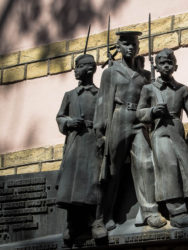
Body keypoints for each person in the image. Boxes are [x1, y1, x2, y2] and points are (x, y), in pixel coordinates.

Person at [93, 31, 166, 230]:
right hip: (119, 117)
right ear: (118, 47)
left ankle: (150, 212)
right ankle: (102, 217)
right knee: (111, 169)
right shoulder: (110, 71)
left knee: (145, 163)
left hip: (139, 119)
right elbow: (103, 101)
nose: (131, 47)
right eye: (126, 44)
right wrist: (100, 130)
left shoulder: (145, 75)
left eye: (134, 44)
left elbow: (152, 97)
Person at [137, 48, 188, 228]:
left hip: (177, 130)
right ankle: (176, 210)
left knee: (184, 166)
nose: (166, 66)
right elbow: (139, 113)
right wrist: (152, 111)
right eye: (162, 63)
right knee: (169, 166)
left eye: (169, 62)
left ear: (176, 66)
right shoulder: (149, 89)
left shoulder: (182, 89)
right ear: (156, 67)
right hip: (159, 131)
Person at [56, 54, 107, 244]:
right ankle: (72, 223)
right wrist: (69, 122)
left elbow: (107, 117)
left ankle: (96, 221)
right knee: (71, 183)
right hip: (75, 142)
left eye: (78, 67)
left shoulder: (101, 94)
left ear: (90, 69)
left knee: (94, 181)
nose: (75, 71)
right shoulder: (69, 95)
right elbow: (60, 117)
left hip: (94, 141)